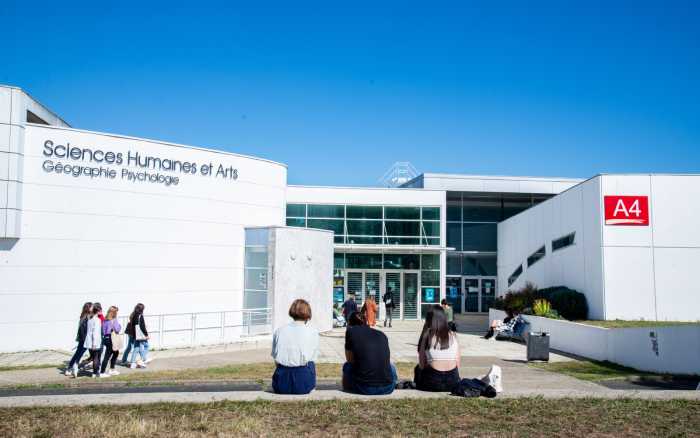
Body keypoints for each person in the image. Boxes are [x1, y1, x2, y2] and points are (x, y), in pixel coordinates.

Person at [271, 299, 319, 394]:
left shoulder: (279, 331)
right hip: (303, 381)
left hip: (281, 382)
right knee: (311, 363)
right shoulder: (313, 332)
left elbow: (276, 358)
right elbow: (313, 358)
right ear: (308, 314)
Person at [342, 311, 397, 395]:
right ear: (365, 322)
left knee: (347, 366)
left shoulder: (350, 332)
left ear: (349, 323)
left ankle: (347, 388)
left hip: (365, 388)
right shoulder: (381, 334)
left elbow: (350, 360)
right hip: (388, 387)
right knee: (391, 366)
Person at [414, 305, 461, 392]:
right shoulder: (453, 335)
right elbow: (457, 364)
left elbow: (421, 365)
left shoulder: (427, 336)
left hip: (432, 383)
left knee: (417, 368)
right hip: (453, 382)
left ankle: (418, 385)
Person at [65, 302, 92, 377]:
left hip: (82, 338)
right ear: (88, 308)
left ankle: (70, 367)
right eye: (91, 307)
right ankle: (74, 366)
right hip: (84, 339)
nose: (93, 308)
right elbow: (85, 330)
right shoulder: (87, 317)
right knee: (80, 353)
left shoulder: (83, 316)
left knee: (78, 353)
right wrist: (86, 339)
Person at [99, 306, 122, 377]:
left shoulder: (105, 320)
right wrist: (119, 326)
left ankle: (111, 369)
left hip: (106, 338)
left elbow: (102, 331)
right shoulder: (114, 320)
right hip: (111, 339)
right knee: (108, 355)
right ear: (114, 313)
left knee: (115, 352)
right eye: (116, 312)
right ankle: (103, 372)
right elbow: (117, 329)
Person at [83, 303, 103, 378]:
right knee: (96, 357)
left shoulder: (90, 319)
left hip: (89, 341)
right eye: (100, 310)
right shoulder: (97, 320)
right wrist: (94, 343)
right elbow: (95, 333)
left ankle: (95, 372)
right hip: (95, 342)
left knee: (94, 357)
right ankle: (95, 373)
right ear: (97, 311)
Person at [129, 303, 151, 369]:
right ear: (142, 309)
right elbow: (142, 326)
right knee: (147, 346)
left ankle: (132, 363)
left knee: (136, 348)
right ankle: (142, 359)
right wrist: (146, 335)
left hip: (135, 334)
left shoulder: (133, 315)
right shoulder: (140, 316)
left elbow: (133, 325)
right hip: (140, 335)